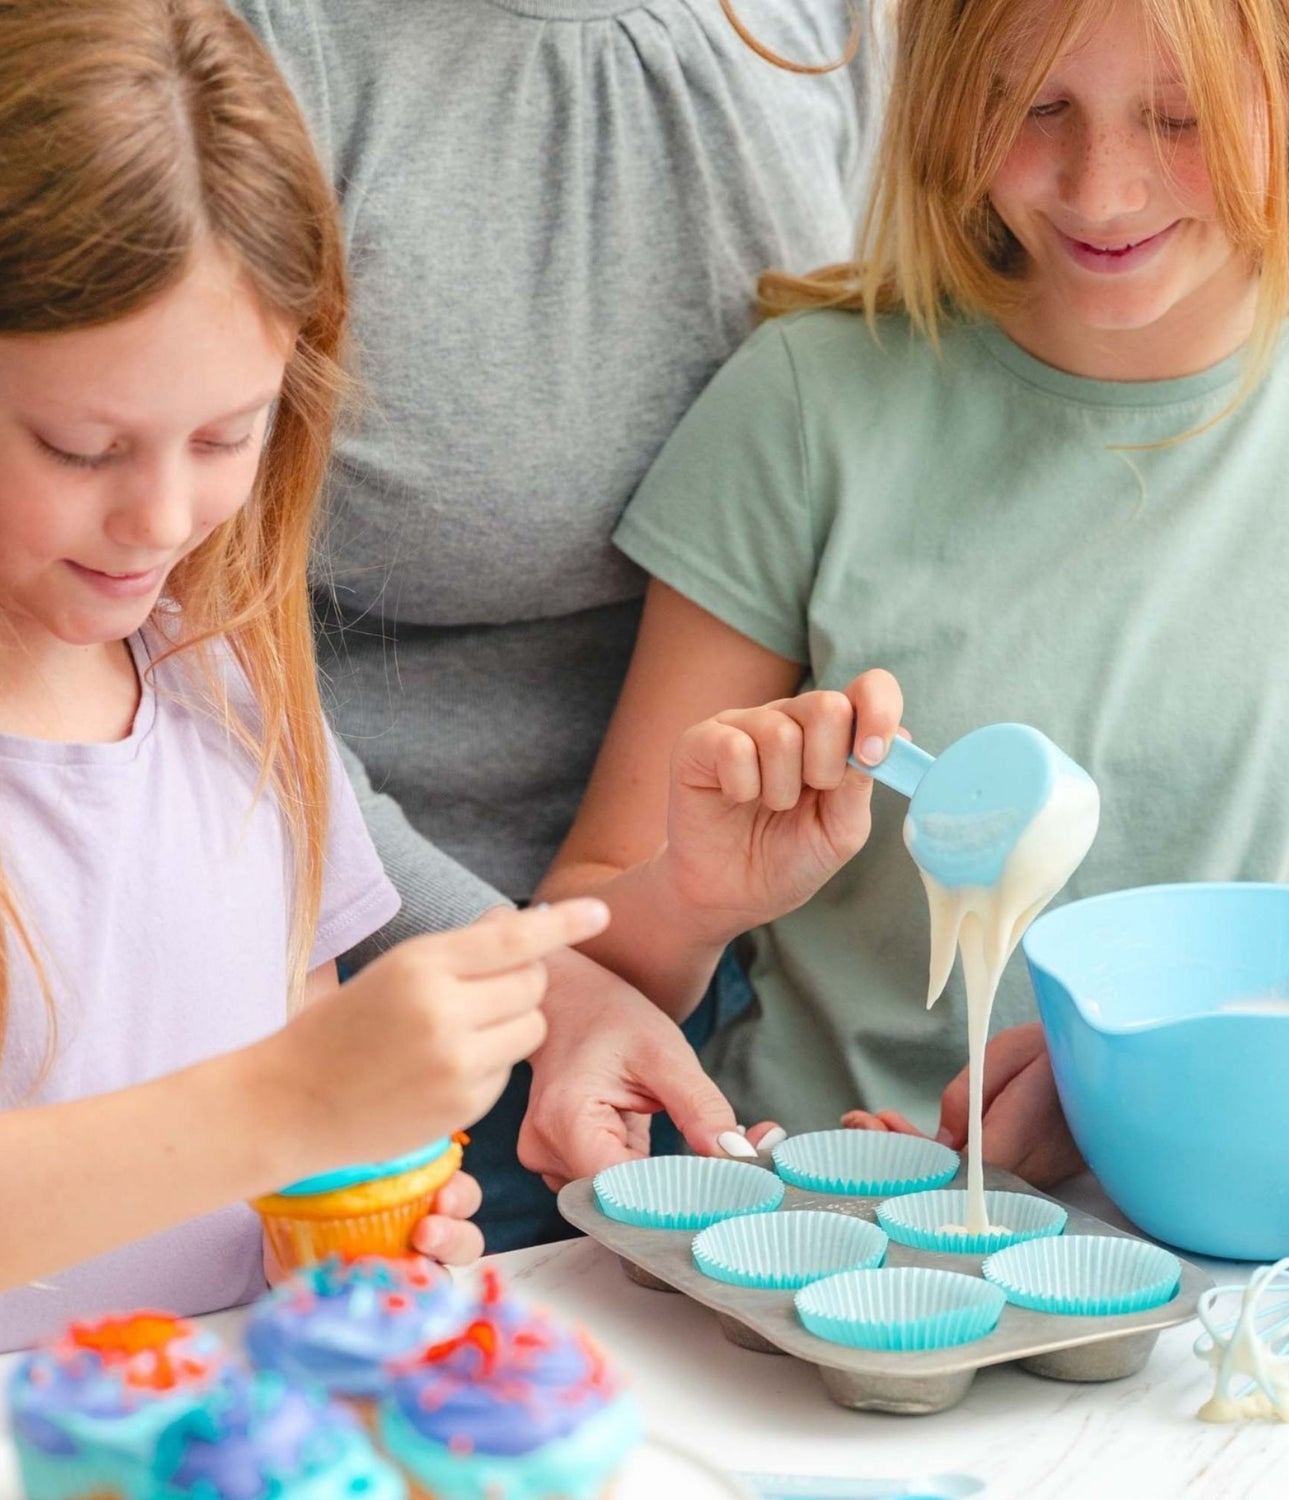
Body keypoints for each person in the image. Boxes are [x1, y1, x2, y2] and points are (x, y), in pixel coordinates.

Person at [536, 0, 1289, 1184]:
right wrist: (691, 896)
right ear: (950, 99)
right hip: (808, 1217)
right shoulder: (806, 403)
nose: (1101, 191)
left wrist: (1133, 1080)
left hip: (1229, 1231)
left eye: (1179, 118)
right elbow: (582, 931)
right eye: (1034, 105)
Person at [0, 0, 610, 1354]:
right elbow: (277, 1099)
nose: (161, 519)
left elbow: (293, 1152)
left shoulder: (226, 681)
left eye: (225, 435)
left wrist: (357, 1231)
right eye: (83, 447)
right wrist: (287, 1102)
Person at [229, 0, 882, 1248]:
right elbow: (186, 645)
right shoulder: (270, 44)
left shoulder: (839, 29)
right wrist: (537, 979)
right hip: (358, 985)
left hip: (710, 970)